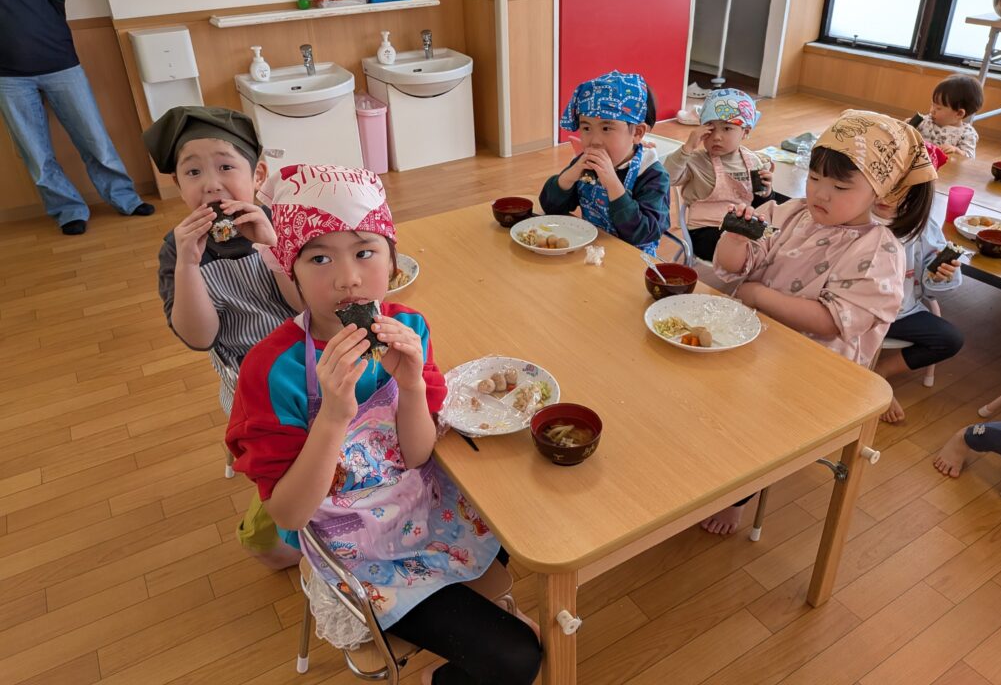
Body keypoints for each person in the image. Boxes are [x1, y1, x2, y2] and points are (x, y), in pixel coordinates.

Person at [226, 164, 542, 685]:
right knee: (518, 658)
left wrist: (413, 385)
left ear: (393, 262)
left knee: (523, 525)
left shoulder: (408, 327)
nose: (347, 278)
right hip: (352, 545)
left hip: (423, 505)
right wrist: (334, 415)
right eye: (319, 257)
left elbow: (416, 455)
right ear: (290, 270)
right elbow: (288, 512)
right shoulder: (270, 368)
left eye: (365, 252)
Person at [704, 109, 938, 535]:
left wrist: (757, 295)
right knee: (706, 394)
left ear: (881, 193)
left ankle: (739, 493)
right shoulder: (791, 214)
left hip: (812, 370)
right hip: (752, 341)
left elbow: (830, 321)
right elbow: (735, 266)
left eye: (841, 187)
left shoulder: (878, 251)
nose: (820, 194)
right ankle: (711, 459)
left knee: (754, 426)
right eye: (814, 178)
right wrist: (735, 238)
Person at [145, 106, 301, 570]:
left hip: (307, 352)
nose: (211, 184)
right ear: (179, 186)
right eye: (193, 172)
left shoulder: (281, 223)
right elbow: (200, 336)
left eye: (226, 166)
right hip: (250, 376)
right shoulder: (177, 249)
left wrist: (273, 247)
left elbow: (306, 307)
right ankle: (268, 538)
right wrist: (189, 264)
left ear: (258, 176)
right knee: (284, 457)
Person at [0, 0, 153, 235]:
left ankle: (124, 198)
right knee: (35, 153)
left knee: (94, 138)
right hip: (7, 76)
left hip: (58, 59)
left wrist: (54, 23)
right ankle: (67, 210)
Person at [540, 70, 670, 255]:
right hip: (591, 251)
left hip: (633, 260)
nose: (594, 141)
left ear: (637, 133)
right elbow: (551, 208)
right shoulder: (584, 164)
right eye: (586, 128)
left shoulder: (653, 175)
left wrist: (612, 184)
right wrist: (569, 176)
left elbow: (644, 233)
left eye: (607, 128)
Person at [872, 197, 963, 424]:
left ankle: (880, 371)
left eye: (898, 191)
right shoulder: (854, 217)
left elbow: (929, 281)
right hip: (857, 308)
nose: (885, 198)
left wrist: (940, 274)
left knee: (950, 339)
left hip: (902, 312)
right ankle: (867, 380)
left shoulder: (922, 225)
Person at [663, 88, 776, 261]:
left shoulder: (753, 162)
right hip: (704, 230)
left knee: (777, 241)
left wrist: (767, 193)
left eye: (727, 128)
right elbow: (666, 177)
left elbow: (759, 205)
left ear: (745, 132)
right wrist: (688, 147)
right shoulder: (695, 161)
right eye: (710, 128)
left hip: (742, 226)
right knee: (748, 251)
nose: (716, 136)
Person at [913, 74, 984, 159]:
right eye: (932, 105)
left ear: (959, 113)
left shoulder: (967, 134)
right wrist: (907, 126)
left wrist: (956, 151)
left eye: (938, 108)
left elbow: (969, 158)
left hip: (945, 167)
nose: (932, 111)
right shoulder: (926, 121)